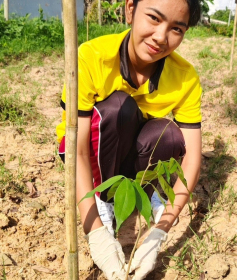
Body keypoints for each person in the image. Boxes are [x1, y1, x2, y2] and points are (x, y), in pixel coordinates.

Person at [56, 0, 202, 279]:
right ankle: (102, 197)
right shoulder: (92, 57)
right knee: (118, 108)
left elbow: (192, 156)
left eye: (176, 29)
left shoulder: (185, 77)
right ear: (130, 10)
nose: (161, 37)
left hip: (133, 151)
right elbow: (78, 148)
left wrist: (162, 229)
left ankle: (144, 193)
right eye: (154, 19)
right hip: (91, 152)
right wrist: (94, 230)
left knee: (168, 134)